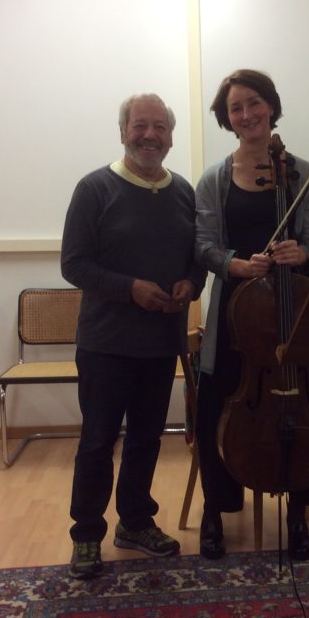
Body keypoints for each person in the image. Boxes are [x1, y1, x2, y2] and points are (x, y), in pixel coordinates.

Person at [61, 93, 205, 579]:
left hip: (161, 342)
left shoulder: (183, 191)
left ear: (170, 135)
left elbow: (195, 258)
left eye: (160, 127)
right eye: (140, 126)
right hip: (105, 344)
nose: (150, 135)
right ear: (123, 132)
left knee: (147, 439)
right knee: (98, 442)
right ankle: (86, 535)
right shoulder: (94, 189)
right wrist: (130, 290)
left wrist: (192, 283)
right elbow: (74, 264)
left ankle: (136, 522)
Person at [194, 69, 309, 561]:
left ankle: (298, 509)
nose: (247, 114)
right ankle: (216, 510)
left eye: (254, 103)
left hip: (293, 314)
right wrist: (233, 263)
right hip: (236, 317)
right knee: (216, 407)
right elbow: (205, 245)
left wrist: (303, 254)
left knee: (301, 406)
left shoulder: (305, 173)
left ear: (271, 106)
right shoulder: (213, 179)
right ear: (227, 119)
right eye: (236, 108)